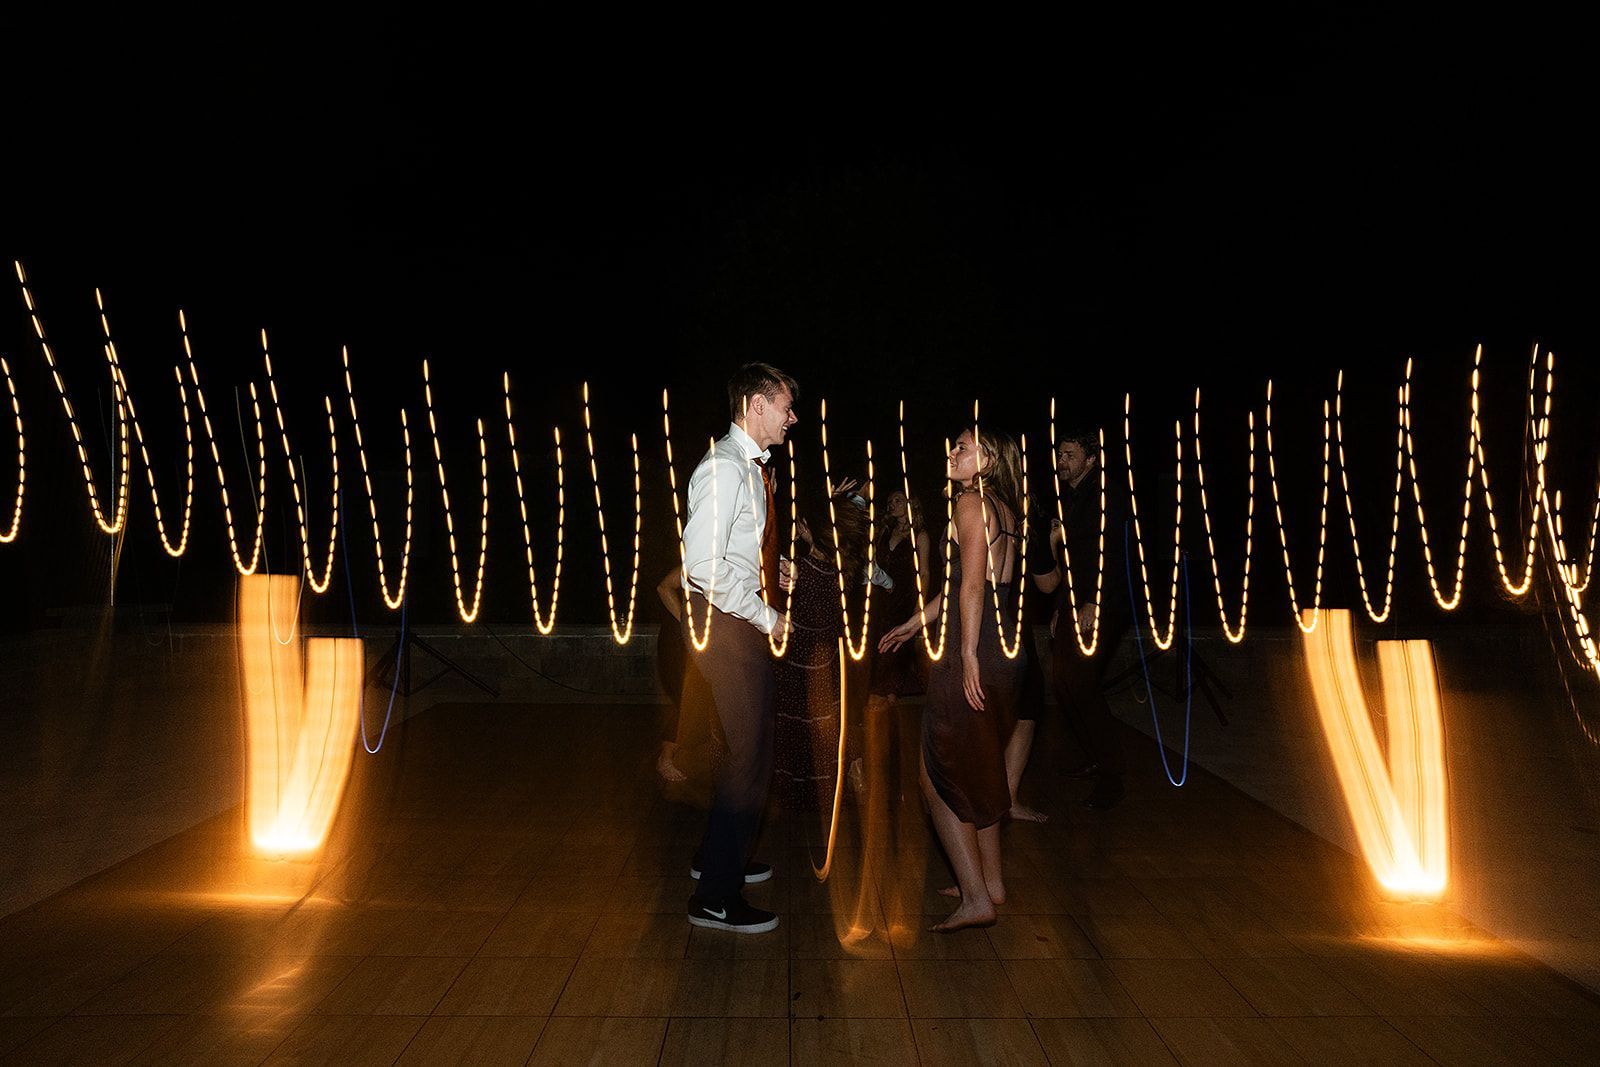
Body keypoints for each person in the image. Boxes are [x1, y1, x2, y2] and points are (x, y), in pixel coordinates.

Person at [880, 427, 1027, 931]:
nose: (952, 452)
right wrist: (915, 623)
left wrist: (965, 655)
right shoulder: (1006, 510)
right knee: (982, 769)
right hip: (1007, 648)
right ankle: (992, 884)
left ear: (987, 460)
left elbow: (969, 591)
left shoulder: (968, 503)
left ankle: (974, 898)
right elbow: (973, 582)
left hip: (977, 646)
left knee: (935, 776)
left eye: (963, 447)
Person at [681, 362, 797, 934]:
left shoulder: (750, 471)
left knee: (745, 753)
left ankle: (717, 859)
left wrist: (777, 567)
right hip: (726, 626)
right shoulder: (726, 470)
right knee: (751, 757)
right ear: (756, 404)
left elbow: (735, 550)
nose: (792, 417)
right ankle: (714, 899)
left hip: (735, 621)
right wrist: (767, 614)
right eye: (785, 406)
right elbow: (702, 568)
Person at [1032, 427, 1128, 810]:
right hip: (1075, 602)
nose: (1061, 461)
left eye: (1069, 454)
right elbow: (1073, 562)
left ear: (1090, 459)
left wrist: (1093, 602)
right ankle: (1095, 757)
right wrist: (1060, 606)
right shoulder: (1072, 497)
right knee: (1064, 680)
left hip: (1102, 604)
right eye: (1059, 454)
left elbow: (1113, 556)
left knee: (1081, 682)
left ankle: (1112, 776)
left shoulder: (1104, 496)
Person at [773, 481, 870, 813]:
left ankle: (800, 797)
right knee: (820, 734)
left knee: (795, 733)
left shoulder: (803, 572)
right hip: (825, 665)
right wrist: (835, 500)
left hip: (796, 666)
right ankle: (827, 793)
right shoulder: (841, 573)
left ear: (808, 529)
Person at [654, 566, 715, 785]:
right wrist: (687, 624)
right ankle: (665, 758)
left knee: (700, 701)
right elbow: (664, 588)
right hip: (678, 643)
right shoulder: (699, 556)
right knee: (686, 701)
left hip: (697, 644)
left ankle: (689, 756)